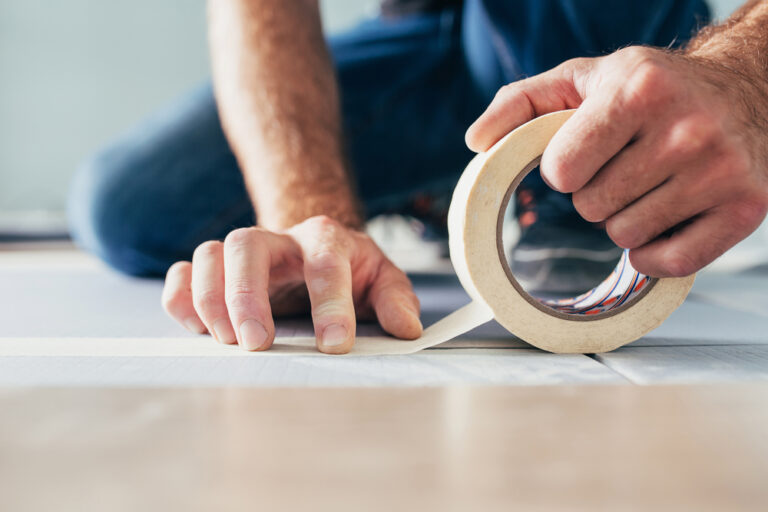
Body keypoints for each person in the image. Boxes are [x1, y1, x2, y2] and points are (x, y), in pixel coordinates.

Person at [68, 0, 768, 354]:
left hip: (600, 32)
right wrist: (312, 219)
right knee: (132, 209)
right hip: (426, 45)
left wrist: (740, 81)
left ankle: (580, 189)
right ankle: (462, 193)